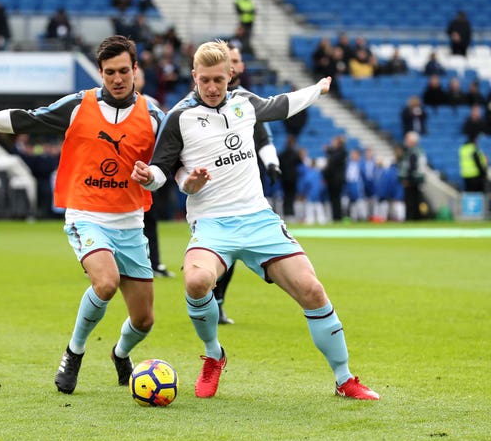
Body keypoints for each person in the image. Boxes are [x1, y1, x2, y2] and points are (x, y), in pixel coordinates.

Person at [131, 40, 379, 400]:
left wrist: (317, 90)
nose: (213, 88)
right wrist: (150, 178)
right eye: (205, 81)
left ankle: (344, 379)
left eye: (219, 80)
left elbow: (281, 106)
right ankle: (214, 354)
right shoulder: (179, 118)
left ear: (230, 75)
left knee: (312, 290)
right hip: (213, 224)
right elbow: (161, 170)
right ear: (193, 77)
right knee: (197, 281)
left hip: (258, 219)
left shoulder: (244, 102)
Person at [0, 36, 165, 394]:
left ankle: (120, 353)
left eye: (123, 71)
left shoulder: (154, 115)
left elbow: (172, 161)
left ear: (135, 70)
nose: (116, 79)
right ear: (100, 73)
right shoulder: (78, 105)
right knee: (105, 282)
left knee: (144, 320)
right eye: (109, 73)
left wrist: (157, 177)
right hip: (86, 213)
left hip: (130, 221)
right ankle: (74, 352)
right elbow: (25, 120)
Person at [211, 43, 282, 325]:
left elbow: (263, 138)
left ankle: (216, 302)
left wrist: (272, 162)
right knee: (218, 248)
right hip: (213, 187)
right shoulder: (203, 100)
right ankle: (208, 300)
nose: (234, 65)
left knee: (234, 249)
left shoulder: (247, 101)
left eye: (237, 60)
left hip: (244, 184)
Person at [134, 66, 175, 278]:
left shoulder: (150, 104)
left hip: (149, 171)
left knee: (149, 220)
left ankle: (155, 263)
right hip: (122, 173)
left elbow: (163, 135)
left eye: (137, 75)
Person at [397, 131, 427, 221]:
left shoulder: (413, 152)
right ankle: (417, 217)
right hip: (417, 179)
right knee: (416, 200)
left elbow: (412, 167)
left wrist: (407, 179)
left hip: (413, 180)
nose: (405, 141)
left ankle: (412, 218)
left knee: (411, 201)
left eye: (407, 139)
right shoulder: (419, 150)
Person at [323, 134, 347, 221]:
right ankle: (336, 216)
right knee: (334, 199)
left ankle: (337, 217)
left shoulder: (341, 152)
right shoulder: (337, 152)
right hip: (333, 180)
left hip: (336, 180)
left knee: (336, 199)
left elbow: (333, 159)